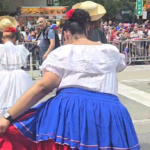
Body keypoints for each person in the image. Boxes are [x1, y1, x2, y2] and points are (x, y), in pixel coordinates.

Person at [0, 9, 140, 150]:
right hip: (109, 112)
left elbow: (43, 87)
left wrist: (8, 117)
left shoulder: (63, 52)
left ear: (65, 34)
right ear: (86, 30)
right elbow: (120, 66)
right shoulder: (111, 51)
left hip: (71, 111)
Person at [0, 26, 33, 117]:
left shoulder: (1, 48)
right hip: (19, 75)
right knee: (22, 100)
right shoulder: (20, 48)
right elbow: (24, 63)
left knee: (3, 99)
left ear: (3, 39)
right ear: (14, 39)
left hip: (3, 75)